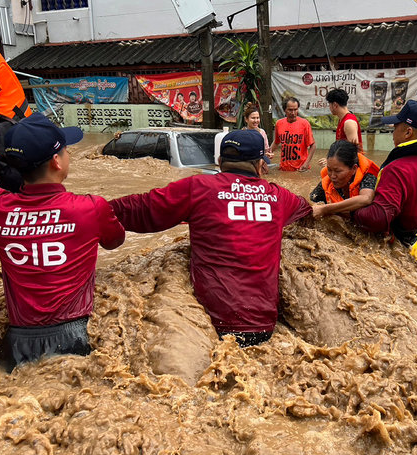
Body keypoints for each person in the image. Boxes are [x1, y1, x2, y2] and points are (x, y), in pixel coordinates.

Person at [109, 130, 311, 347]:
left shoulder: (198, 187)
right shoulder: (279, 197)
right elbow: (309, 210)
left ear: (219, 161)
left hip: (208, 325)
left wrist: (89, 211)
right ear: (261, 164)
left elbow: (138, 210)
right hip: (264, 326)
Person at [0, 106, 125, 372]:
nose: (69, 152)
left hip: (16, 343)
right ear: (56, 161)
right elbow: (115, 241)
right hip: (74, 339)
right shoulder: (90, 208)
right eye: (65, 148)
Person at [354, 100, 417, 241]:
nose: (393, 134)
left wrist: (351, 210)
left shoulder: (397, 169)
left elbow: (377, 219)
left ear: (408, 132)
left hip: (408, 245)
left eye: (395, 127)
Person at [310, 140, 379, 218]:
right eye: (329, 169)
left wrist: (325, 209)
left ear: (354, 169)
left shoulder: (368, 177)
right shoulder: (327, 183)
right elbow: (312, 204)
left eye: (337, 171)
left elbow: (366, 199)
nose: (332, 176)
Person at [271, 97, 316, 171]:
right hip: (284, 167)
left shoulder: (304, 124)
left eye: (295, 109)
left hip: (301, 168)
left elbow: (313, 145)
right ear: (285, 110)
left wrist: (306, 163)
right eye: (290, 110)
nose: (293, 113)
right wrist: (268, 154)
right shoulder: (279, 124)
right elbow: (276, 142)